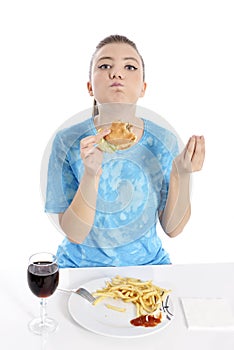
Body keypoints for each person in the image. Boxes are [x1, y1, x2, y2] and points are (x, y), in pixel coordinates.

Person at [45, 34, 205, 268]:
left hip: (149, 266)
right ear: (90, 87)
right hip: (79, 267)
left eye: (129, 66)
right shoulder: (67, 141)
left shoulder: (163, 141)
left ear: (143, 87)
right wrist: (91, 175)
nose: (117, 73)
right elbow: (75, 234)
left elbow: (173, 229)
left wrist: (181, 174)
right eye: (105, 65)